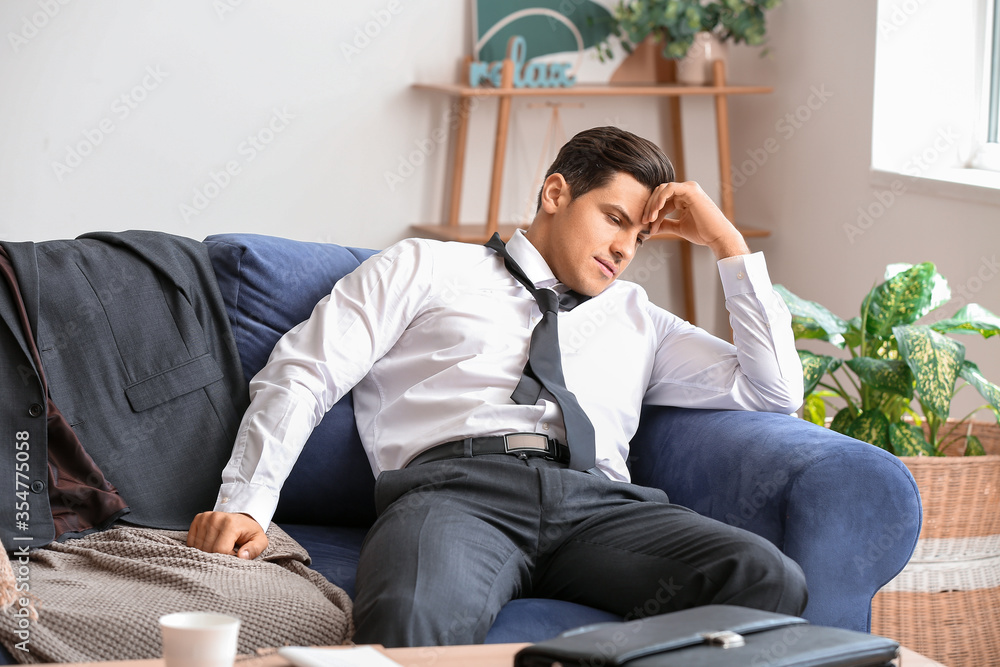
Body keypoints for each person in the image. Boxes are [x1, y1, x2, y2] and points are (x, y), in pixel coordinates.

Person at [187, 126, 807, 647]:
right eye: (614, 219)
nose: (623, 249)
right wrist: (246, 502)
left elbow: (775, 391)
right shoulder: (426, 267)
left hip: (598, 509)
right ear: (556, 192)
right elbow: (305, 371)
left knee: (766, 577)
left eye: (638, 237)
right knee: (409, 616)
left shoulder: (639, 317)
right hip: (454, 496)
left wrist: (727, 243)